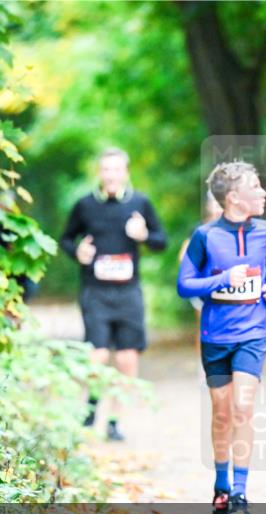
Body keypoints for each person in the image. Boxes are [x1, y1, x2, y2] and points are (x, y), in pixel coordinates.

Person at [177, 161, 266, 514]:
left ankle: (240, 493)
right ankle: (221, 484)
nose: (263, 192)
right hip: (215, 336)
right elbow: (184, 285)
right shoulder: (205, 236)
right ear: (234, 197)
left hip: (253, 333)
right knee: (221, 413)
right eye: (256, 186)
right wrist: (220, 280)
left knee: (243, 406)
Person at [60, 147, 168, 441]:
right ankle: (92, 407)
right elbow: (66, 239)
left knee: (126, 360)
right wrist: (78, 251)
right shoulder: (85, 205)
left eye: (116, 170)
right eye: (106, 169)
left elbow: (161, 241)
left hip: (128, 293)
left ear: (125, 173)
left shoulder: (139, 203)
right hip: (95, 291)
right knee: (96, 355)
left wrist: (144, 235)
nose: (110, 175)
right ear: (99, 173)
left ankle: (114, 421)